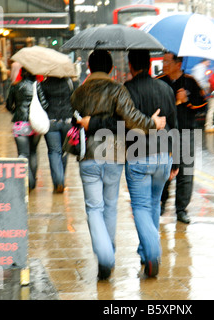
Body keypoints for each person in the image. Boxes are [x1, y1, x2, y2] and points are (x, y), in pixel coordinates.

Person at [70, 50, 166, 280]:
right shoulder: (117, 89)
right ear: (112, 69)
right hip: (114, 155)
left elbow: (73, 118)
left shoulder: (79, 92)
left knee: (94, 208)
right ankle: (109, 251)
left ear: (90, 68)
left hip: (88, 155)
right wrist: (151, 124)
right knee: (110, 206)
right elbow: (130, 119)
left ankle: (105, 258)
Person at [123, 49, 178, 277]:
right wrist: (176, 161)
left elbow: (121, 125)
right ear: (148, 65)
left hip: (138, 157)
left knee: (141, 207)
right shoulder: (166, 88)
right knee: (154, 204)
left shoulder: (126, 90)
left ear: (131, 66)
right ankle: (146, 253)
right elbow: (174, 124)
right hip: (164, 156)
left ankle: (153, 253)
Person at [157, 52, 207, 224]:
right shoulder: (159, 82)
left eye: (167, 61)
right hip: (165, 133)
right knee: (164, 170)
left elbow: (203, 106)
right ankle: (161, 203)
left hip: (186, 132)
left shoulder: (190, 82)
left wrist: (187, 100)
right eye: (163, 61)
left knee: (185, 172)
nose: (164, 64)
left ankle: (181, 209)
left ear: (178, 64)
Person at [6, 67, 48, 190]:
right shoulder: (37, 86)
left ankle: (28, 182)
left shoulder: (15, 86)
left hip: (20, 125)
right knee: (34, 152)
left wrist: (17, 111)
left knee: (23, 154)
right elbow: (44, 104)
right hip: (34, 125)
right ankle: (33, 181)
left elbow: (8, 105)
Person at [40, 76, 76, 193]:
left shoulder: (45, 84)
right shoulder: (70, 83)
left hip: (51, 121)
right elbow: (76, 100)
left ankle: (58, 181)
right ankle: (62, 179)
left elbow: (42, 103)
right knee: (64, 150)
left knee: (54, 151)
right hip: (67, 121)